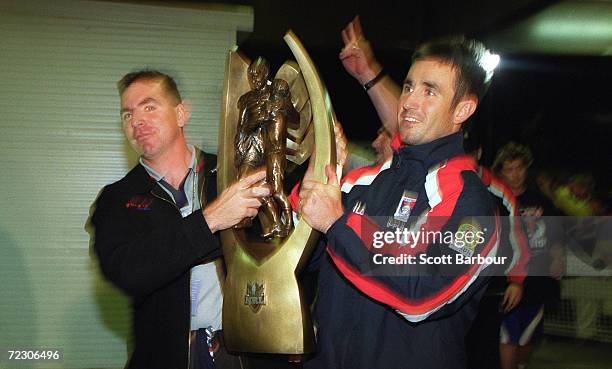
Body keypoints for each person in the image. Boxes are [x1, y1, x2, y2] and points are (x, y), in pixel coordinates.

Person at [294, 29, 501, 369]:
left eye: (429, 91)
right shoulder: (362, 182)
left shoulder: (472, 203)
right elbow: (303, 257)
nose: (409, 102)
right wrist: (319, 173)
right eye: (408, 86)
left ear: (463, 108)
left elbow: (423, 296)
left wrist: (337, 224)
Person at [91, 70, 269, 369]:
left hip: (243, 354)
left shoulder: (232, 175)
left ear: (181, 113)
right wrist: (210, 220)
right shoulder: (116, 199)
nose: (136, 121)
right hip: (167, 356)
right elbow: (129, 272)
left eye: (149, 106)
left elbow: (274, 246)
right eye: (127, 114)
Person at [492, 142, 565, 369]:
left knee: (527, 335)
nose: (515, 174)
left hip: (537, 280)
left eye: (520, 168)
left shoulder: (541, 200)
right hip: (506, 278)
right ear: (501, 171)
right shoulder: (493, 200)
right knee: (508, 334)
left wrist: (557, 258)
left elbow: (556, 235)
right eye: (509, 169)